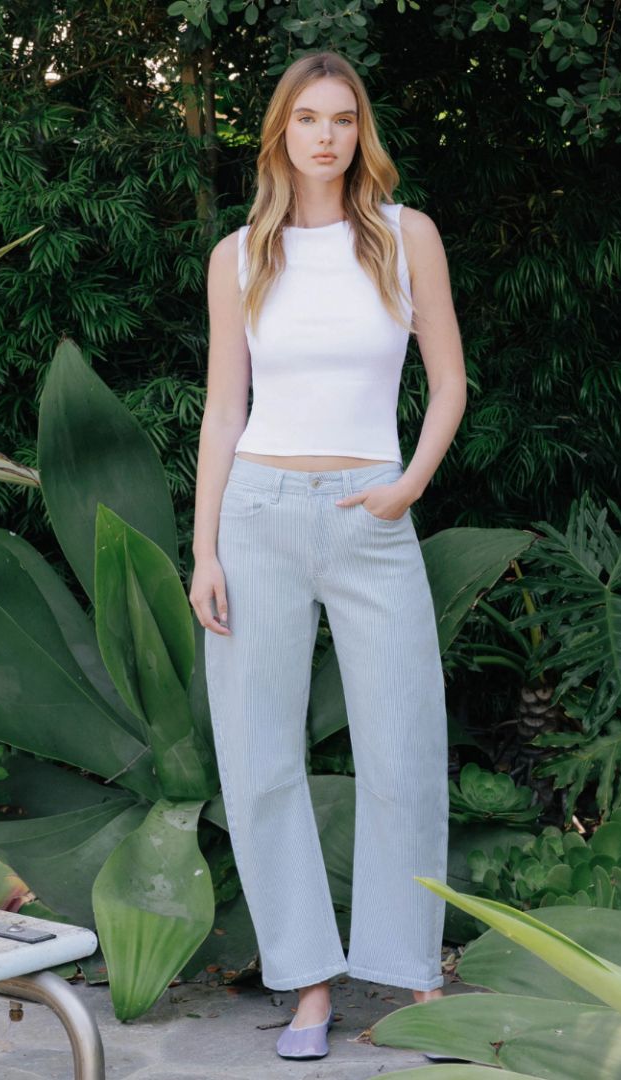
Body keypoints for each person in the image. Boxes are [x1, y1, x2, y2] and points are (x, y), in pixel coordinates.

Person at [189, 49, 466, 1061]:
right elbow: (224, 409)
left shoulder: (405, 236)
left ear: (361, 132)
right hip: (257, 514)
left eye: (342, 119)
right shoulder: (239, 256)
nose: (326, 136)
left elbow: (449, 382)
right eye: (308, 118)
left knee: (404, 750)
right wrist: (203, 549)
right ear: (281, 132)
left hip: (370, 514)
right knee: (259, 758)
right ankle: (308, 984)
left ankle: (412, 974)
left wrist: (409, 484)